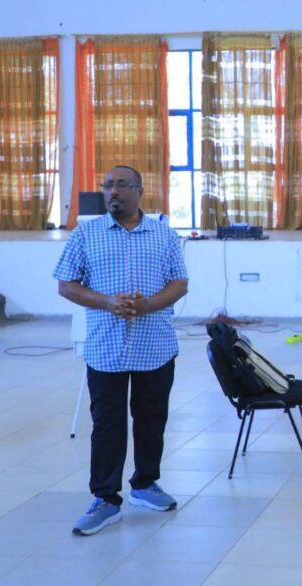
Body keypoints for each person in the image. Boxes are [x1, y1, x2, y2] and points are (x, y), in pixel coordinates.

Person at [54, 165, 189, 535]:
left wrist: (148, 306)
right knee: (107, 423)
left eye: (121, 185)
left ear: (139, 190)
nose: (113, 191)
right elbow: (66, 285)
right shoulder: (86, 234)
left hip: (154, 345)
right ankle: (105, 499)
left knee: (151, 419)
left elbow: (179, 284)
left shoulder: (163, 235)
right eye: (108, 185)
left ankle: (145, 484)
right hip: (106, 347)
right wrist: (108, 302)